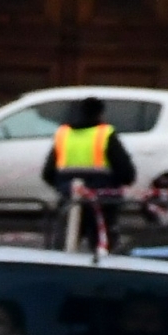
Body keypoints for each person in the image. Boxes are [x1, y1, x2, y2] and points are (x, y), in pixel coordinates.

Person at [40, 96, 136, 251]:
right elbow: (127, 173)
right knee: (104, 252)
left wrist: (65, 187)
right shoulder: (105, 134)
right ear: (99, 114)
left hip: (70, 202)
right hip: (102, 203)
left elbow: (47, 173)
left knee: (63, 251)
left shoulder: (63, 134)